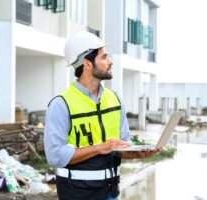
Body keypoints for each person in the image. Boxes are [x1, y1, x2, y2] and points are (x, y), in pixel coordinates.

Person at [44, 31, 160, 200]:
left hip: (111, 193)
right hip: (76, 194)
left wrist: (136, 152)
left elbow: (119, 147)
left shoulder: (114, 99)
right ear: (87, 64)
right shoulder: (61, 105)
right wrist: (99, 148)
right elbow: (55, 156)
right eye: (104, 57)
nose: (110, 61)